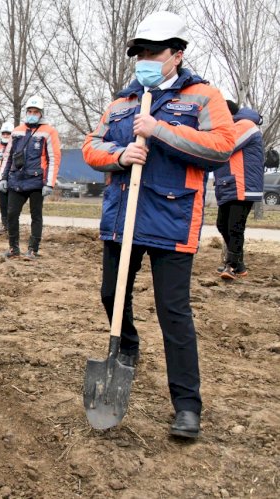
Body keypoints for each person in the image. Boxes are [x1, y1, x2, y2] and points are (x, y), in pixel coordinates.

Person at [82, 11, 235, 439]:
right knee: (111, 294)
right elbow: (92, 146)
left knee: (173, 313)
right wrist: (119, 154)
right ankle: (126, 344)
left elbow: (221, 147)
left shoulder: (203, 97)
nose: (144, 59)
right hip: (121, 218)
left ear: (177, 55)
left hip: (173, 219)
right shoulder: (123, 100)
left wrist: (160, 131)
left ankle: (187, 406)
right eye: (140, 52)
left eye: (153, 52)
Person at [0, 95, 61, 259]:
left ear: (41, 113)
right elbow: (8, 156)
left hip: (36, 181)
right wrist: (3, 178)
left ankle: (33, 249)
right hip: (16, 180)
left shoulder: (49, 132)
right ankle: (13, 248)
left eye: (36, 111)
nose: (32, 114)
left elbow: (54, 158)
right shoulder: (17, 131)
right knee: (11, 214)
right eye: (30, 111)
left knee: (36, 215)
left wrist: (49, 183)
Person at [214, 100, 265, 279]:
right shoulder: (234, 126)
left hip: (243, 185)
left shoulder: (245, 125)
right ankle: (239, 264)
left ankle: (232, 265)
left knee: (235, 226)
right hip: (229, 185)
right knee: (222, 224)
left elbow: (225, 146)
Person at [0, 121, 13, 234]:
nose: (5, 136)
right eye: (4, 133)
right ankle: (5, 225)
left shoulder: (15, 146)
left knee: (12, 205)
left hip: (12, 179)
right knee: (3, 204)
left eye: (8, 133)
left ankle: (12, 226)